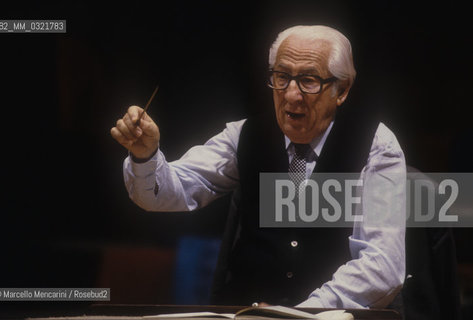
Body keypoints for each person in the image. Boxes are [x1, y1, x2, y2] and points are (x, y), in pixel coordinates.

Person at [110, 25, 406, 308]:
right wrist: (145, 156)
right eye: (281, 77)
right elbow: (161, 195)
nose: (291, 94)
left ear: (341, 90)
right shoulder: (245, 136)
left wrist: (304, 313)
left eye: (309, 81)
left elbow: (382, 266)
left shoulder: (375, 146)